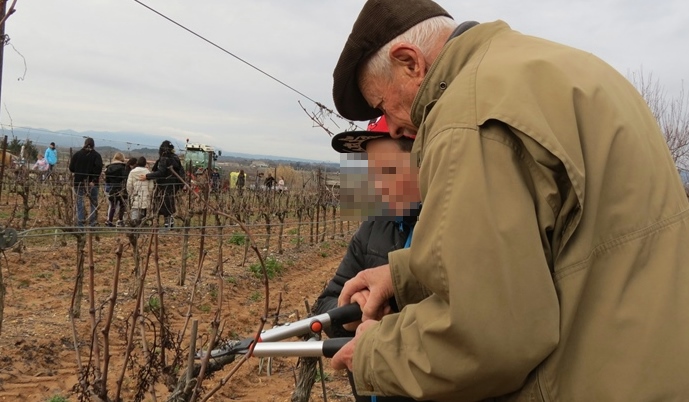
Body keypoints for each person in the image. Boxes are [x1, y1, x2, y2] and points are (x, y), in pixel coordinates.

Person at [329, 1, 689, 401]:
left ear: (409, 62)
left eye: (383, 105)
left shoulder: (468, 116)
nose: (392, 125)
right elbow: (554, 245)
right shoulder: (573, 71)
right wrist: (403, 276)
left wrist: (374, 353)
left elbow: (487, 336)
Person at [314, 116, 422, 402]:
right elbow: (326, 301)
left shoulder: (455, 232)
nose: (376, 186)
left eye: (388, 171)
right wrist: (349, 314)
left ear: (425, 163)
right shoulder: (373, 227)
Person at [141, 140, 183, 229]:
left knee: (161, 205)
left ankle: (165, 225)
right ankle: (169, 223)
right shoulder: (175, 158)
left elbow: (160, 172)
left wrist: (147, 176)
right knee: (170, 204)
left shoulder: (164, 159)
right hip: (173, 185)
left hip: (163, 185)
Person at [69, 137, 103, 227]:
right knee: (93, 202)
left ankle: (80, 224)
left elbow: (71, 168)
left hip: (78, 182)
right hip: (92, 183)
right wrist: (94, 180)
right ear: (93, 145)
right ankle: (92, 223)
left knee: (79, 203)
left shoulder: (77, 154)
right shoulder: (96, 156)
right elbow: (98, 169)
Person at [127, 156, 154, 225]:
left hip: (135, 193)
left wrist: (130, 193)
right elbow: (151, 186)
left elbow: (129, 185)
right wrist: (150, 194)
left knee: (135, 208)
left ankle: (134, 221)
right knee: (144, 208)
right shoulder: (148, 172)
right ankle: (143, 222)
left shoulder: (132, 172)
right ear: (145, 164)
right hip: (145, 194)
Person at [104, 152, 128, 227]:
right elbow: (125, 177)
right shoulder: (123, 167)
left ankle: (110, 221)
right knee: (122, 205)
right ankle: (120, 221)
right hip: (121, 188)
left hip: (112, 188)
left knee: (112, 205)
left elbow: (107, 180)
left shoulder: (109, 167)